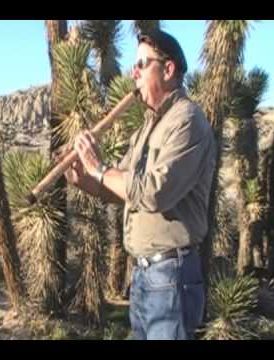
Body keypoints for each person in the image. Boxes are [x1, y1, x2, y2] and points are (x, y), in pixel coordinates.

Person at [59, 29, 217, 340]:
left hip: (171, 275)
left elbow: (152, 193)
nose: (134, 73)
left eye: (142, 65)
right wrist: (83, 178)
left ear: (168, 69)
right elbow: (118, 187)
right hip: (145, 276)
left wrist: (99, 167)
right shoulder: (148, 126)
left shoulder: (187, 121)